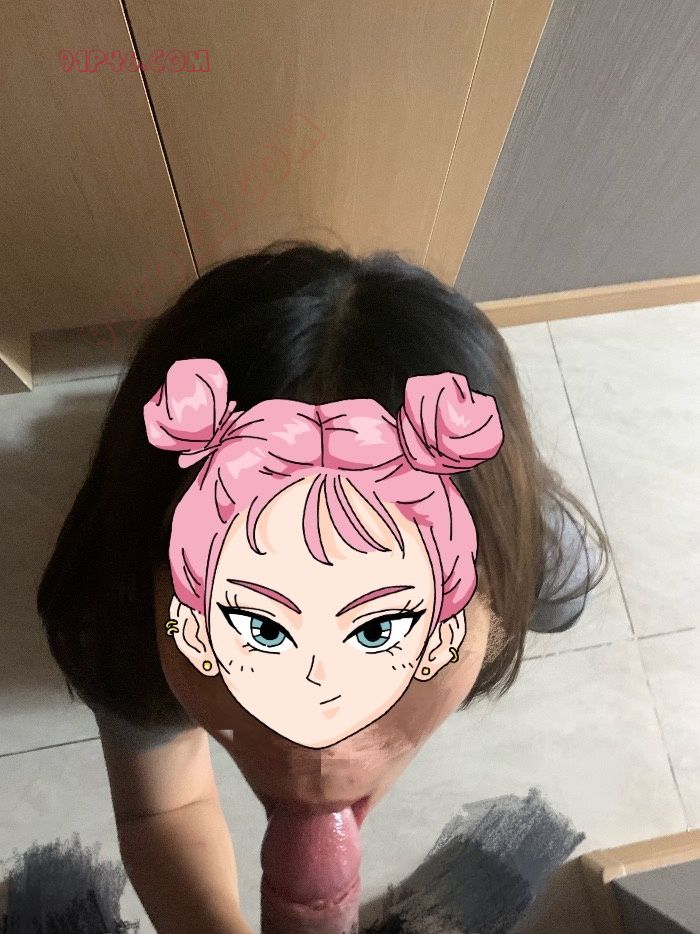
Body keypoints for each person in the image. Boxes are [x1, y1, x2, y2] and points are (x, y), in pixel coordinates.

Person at [37, 238, 611, 933]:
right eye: (256, 624)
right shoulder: (118, 617)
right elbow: (163, 807)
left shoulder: (548, 562)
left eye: (381, 627)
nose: (316, 742)